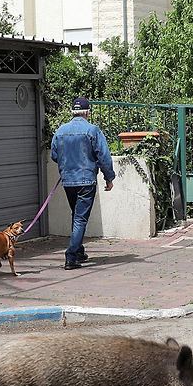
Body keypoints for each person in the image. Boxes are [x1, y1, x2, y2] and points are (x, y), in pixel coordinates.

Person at [50, 97, 115, 270]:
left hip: (68, 180)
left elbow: (54, 155)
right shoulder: (92, 130)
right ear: (87, 112)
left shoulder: (61, 130)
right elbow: (104, 156)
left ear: (73, 112)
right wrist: (109, 178)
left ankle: (78, 251)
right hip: (86, 180)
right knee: (80, 218)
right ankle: (71, 256)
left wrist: (68, 165)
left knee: (76, 215)